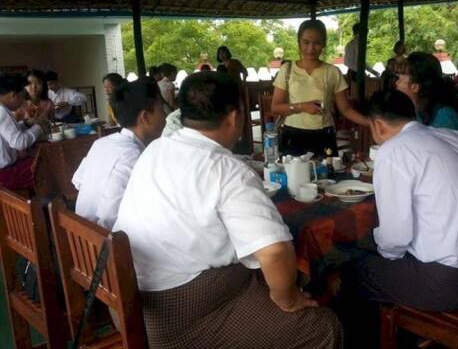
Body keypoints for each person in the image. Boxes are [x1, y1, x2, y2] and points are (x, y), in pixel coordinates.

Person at [113, 72, 342, 348]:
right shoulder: (226, 169)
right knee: (322, 326)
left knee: (277, 273)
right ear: (235, 117)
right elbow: (275, 252)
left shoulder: (156, 148)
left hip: (132, 298)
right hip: (179, 317)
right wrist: (289, 299)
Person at [343, 89, 458, 338]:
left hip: (449, 283)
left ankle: (378, 336)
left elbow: (395, 238)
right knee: (372, 246)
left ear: (377, 125)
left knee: (351, 269)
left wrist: (385, 255)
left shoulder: (393, 150)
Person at [72, 81, 165, 230]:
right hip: (102, 242)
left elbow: (77, 180)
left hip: (82, 233)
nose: (165, 117)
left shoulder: (102, 143)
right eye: (161, 110)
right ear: (145, 117)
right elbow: (110, 216)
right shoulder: (134, 156)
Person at [270, 19, 370, 156]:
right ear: (299, 42)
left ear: (323, 44)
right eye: (306, 42)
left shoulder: (333, 72)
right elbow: (275, 107)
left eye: (317, 43)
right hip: (293, 135)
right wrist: (302, 107)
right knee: (294, 176)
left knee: (327, 176)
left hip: (324, 135)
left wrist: (370, 122)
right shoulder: (287, 70)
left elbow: (345, 109)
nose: (311, 48)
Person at [394, 51, 458, 131]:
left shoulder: (443, 116)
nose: (396, 83)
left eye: (399, 78)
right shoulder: (418, 111)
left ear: (415, 87)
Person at [0, 74, 48, 191]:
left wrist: (26, 124)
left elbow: (7, 133)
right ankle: (43, 205)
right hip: (6, 174)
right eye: (21, 98)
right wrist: (39, 126)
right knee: (47, 163)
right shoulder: (2, 112)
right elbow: (19, 143)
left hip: (5, 171)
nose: (22, 102)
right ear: (13, 95)